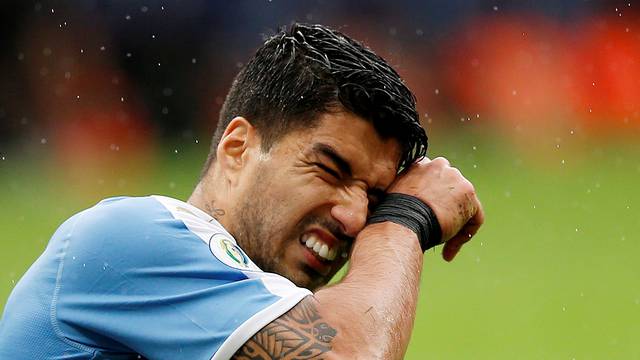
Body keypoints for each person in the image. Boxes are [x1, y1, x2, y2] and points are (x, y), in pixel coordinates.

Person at [0, 23, 483, 359]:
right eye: (330, 169)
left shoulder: (230, 317)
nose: (356, 219)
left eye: (376, 201)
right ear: (238, 149)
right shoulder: (130, 237)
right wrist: (401, 220)